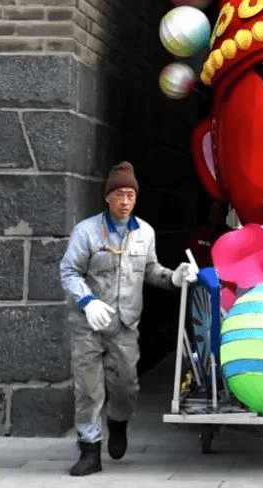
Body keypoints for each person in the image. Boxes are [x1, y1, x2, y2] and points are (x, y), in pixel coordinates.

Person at [59, 161, 197, 476]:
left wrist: (175, 277)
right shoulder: (87, 232)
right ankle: (90, 449)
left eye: (130, 195)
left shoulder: (144, 233)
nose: (125, 201)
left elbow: (150, 270)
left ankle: (117, 423)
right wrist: (87, 300)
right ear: (107, 197)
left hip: (124, 325)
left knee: (125, 386)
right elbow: (69, 270)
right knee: (89, 389)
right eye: (119, 194)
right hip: (89, 325)